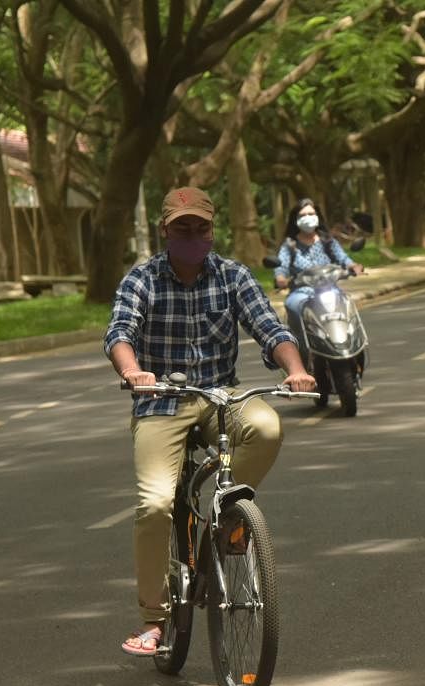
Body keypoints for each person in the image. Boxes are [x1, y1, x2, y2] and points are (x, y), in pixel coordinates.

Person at [105, 186, 317, 657]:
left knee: (266, 428)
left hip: (221, 393)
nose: (194, 235)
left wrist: (295, 369)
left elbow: (271, 328)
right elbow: (120, 332)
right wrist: (133, 371)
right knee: (156, 504)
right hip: (161, 400)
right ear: (166, 231)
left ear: (212, 230)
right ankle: (154, 619)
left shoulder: (232, 276)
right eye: (183, 228)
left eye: (201, 227)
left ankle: (223, 519)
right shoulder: (142, 280)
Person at [273, 198, 365, 354]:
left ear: (318, 216)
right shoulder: (290, 245)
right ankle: (300, 353)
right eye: (303, 215)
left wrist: (353, 266)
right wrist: (280, 278)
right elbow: (281, 266)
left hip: (330, 289)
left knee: (347, 302)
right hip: (301, 292)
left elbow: (343, 258)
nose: (308, 217)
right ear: (296, 220)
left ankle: (354, 346)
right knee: (292, 305)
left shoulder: (327, 241)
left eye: (311, 213)